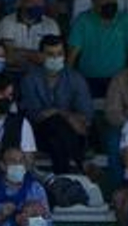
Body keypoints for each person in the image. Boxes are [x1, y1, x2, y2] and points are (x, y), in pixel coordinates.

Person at [18, 36, 93, 176]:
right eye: (50, 54)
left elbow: (86, 115)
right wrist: (65, 115)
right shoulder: (30, 79)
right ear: (41, 56)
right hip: (39, 135)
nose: (55, 58)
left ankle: (62, 177)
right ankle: (81, 162)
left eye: (59, 54)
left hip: (73, 132)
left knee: (57, 134)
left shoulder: (75, 78)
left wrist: (57, 114)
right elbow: (34, 115)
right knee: (55, 123)